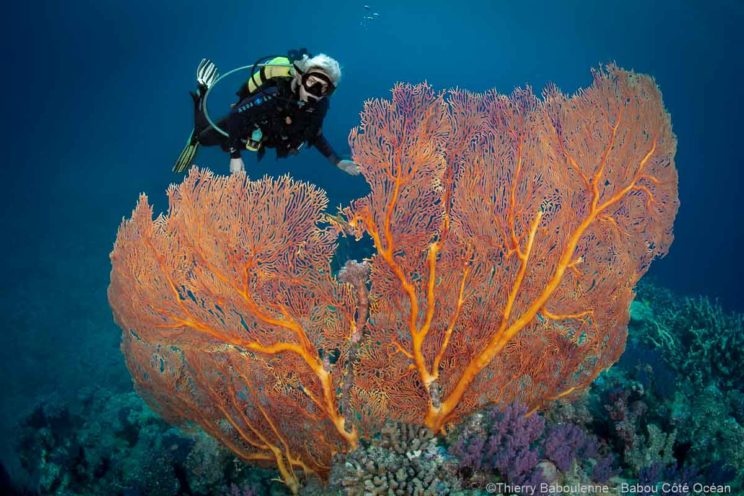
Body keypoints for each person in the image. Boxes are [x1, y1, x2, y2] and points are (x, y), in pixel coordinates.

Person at [173, 49, 360, 176]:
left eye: (323, 89)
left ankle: (228, 144)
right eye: (311, 83)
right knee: (203, 139)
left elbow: (315, 135)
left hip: (263, 138)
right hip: (242, 126)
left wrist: (337, 161)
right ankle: (202, 92)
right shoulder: (274, 95)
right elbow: (236, 116)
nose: (314, 93)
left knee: (223, 145)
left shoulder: (318, 106)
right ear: (301, 77)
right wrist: (235, 157)